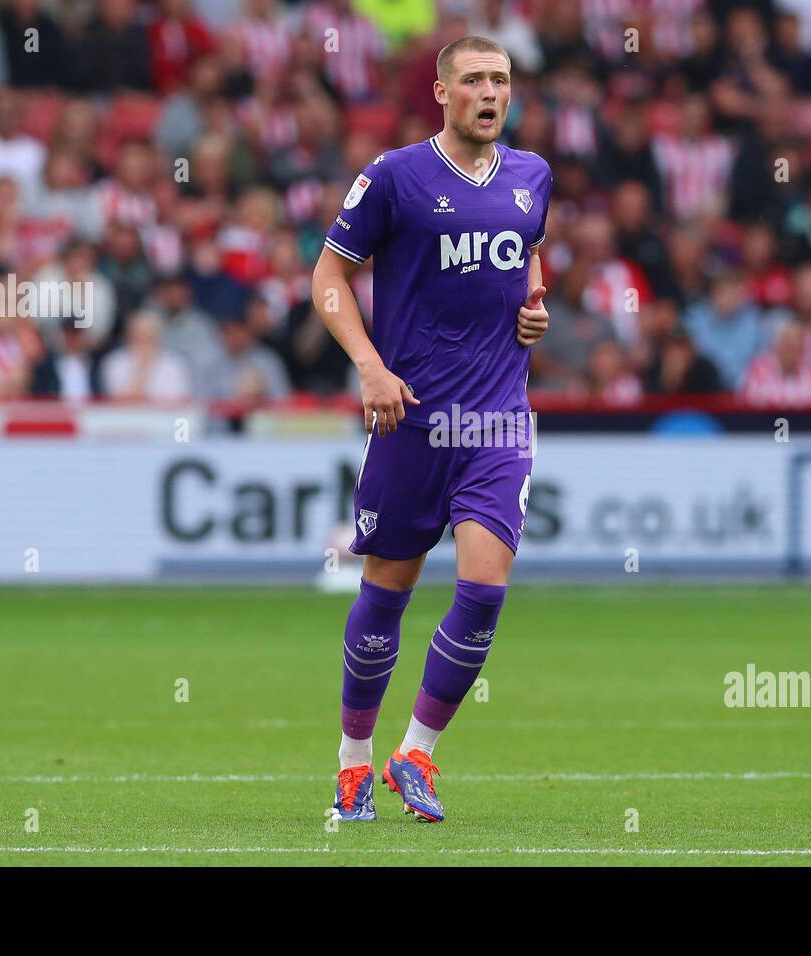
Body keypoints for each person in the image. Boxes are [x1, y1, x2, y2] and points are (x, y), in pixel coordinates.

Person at [311, 36, 550, 824]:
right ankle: (352, 764)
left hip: (497, 419)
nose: (491, 92)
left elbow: (530, 254)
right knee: (388, 590)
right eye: (475, 80)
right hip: (411, 417)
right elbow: (329, 277)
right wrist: (370, 368)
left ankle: (416, 752)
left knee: (483, 592)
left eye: (502, 81)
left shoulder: (531, 178)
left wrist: (534, 302)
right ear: (443, 94)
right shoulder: (393, 177)